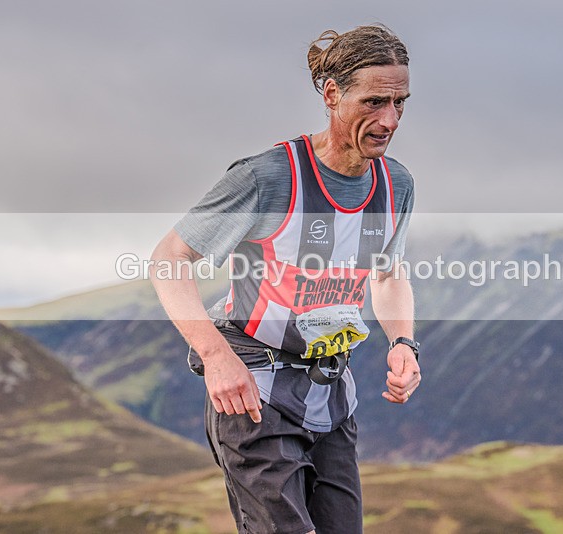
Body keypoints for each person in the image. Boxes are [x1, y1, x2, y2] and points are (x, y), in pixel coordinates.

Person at [151, 24, 420, 534]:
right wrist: (215, 357)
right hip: (255, 391)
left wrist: (403, 341)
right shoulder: (269, 176)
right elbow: (169, 259)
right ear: (332, 94)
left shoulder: (396, 183)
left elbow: (388, 274)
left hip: (332, 396)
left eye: (400, 103)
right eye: (374, 102)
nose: (389, 120)